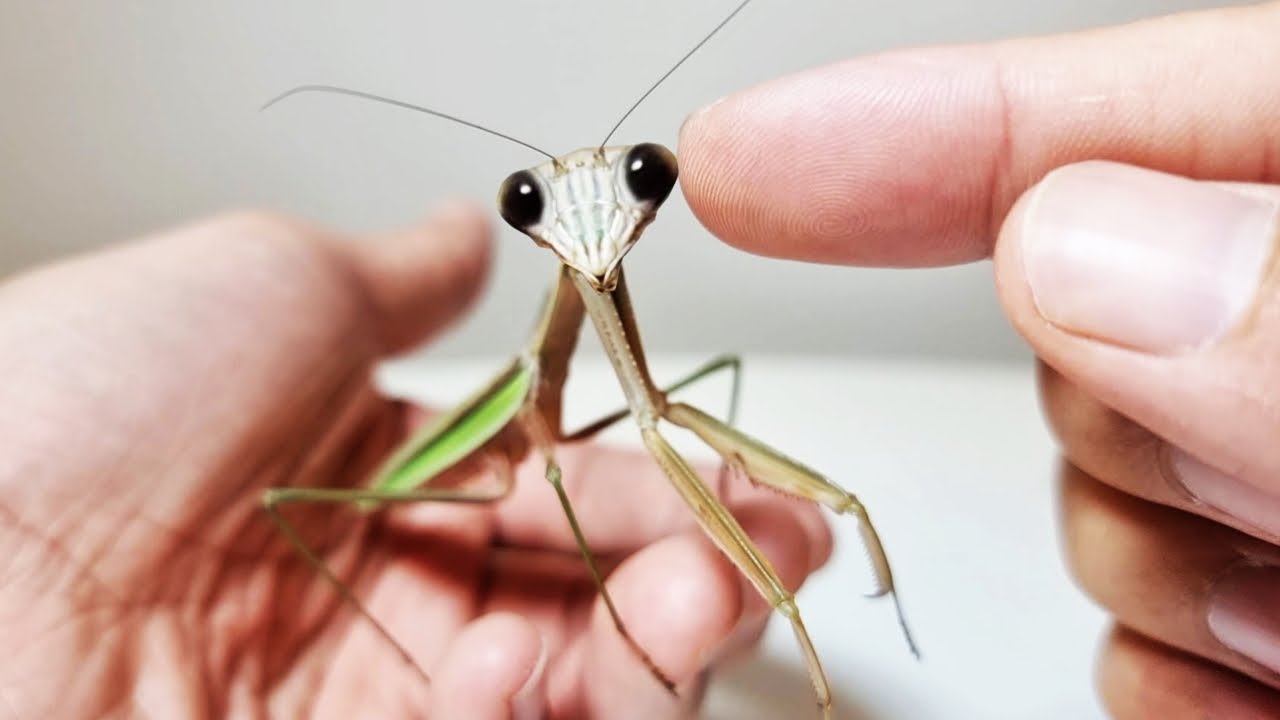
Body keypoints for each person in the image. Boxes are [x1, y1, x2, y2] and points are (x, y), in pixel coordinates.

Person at [1, 3, 1275, 719]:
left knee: (707, 418)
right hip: (427, 487)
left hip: (559, 436)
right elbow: (545, 473)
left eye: (636, 190)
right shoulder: (494, 444)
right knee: (406, 488)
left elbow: (654, 412)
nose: (601, 236)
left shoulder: (605, 273)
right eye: (546, 214)